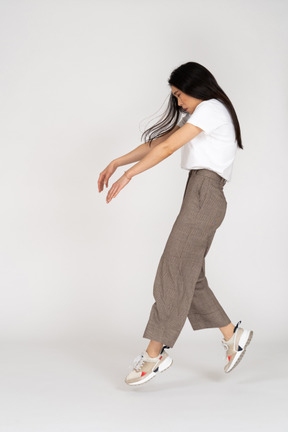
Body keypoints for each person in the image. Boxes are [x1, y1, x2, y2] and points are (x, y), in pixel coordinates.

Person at [98, 61, 254, 387]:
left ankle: (155, 353)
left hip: (205, 193)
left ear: (196, 87)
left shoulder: (211, 108)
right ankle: (233, 336)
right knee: (191, 277)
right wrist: (117, 161)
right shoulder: (200, 115)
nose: (179, 101)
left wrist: (129, 175)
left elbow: (169, 148)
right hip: (199, 193)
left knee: (172, 269)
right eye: (175, 96)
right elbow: (158, 142)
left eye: (180, 94)